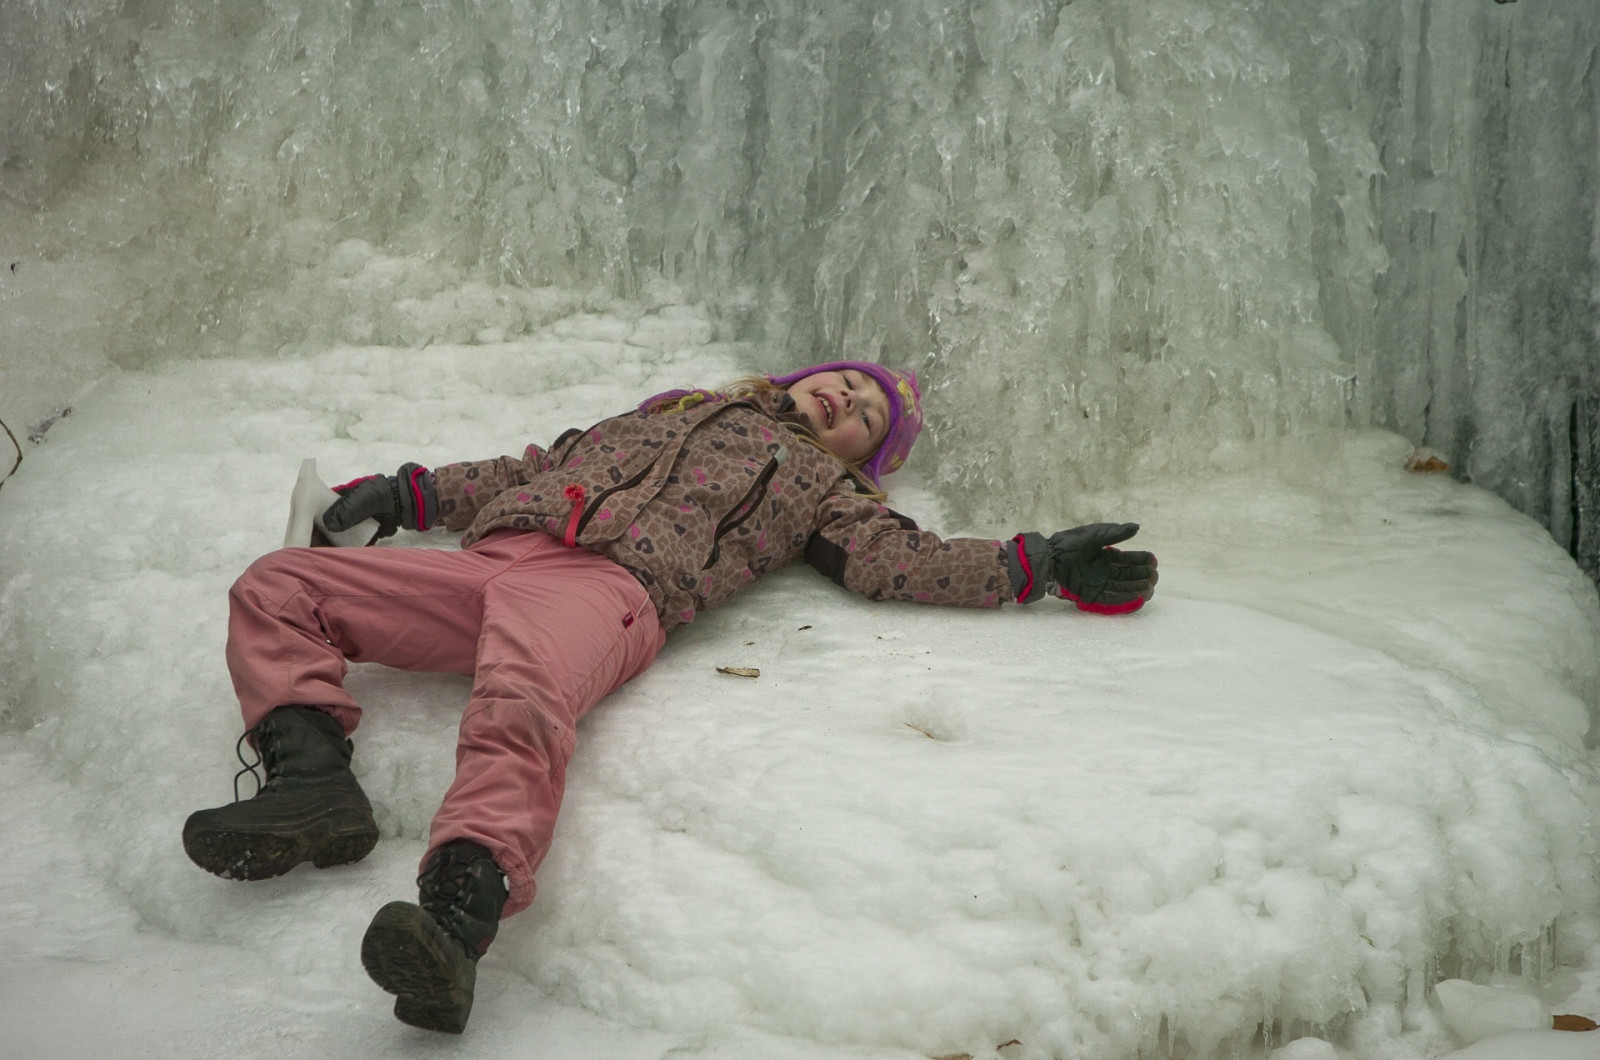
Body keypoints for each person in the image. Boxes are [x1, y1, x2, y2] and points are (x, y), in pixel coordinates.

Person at [181, 360, 1159, 1034]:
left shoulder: (824, 490)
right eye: (845, 380)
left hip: (607, 587)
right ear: (801, 376)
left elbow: (898, 560)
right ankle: (311, 787)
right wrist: (404, 495)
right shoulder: (671, 410)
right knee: (279, 583)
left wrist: (1033, 564)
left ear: (862, 456)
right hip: (492, 560)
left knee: (521, 699)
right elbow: (532, 468)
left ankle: (455, 922)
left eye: (866, 415)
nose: (846, 399)